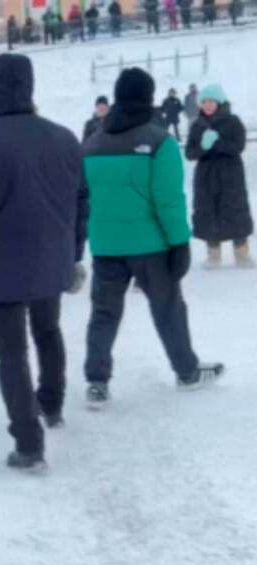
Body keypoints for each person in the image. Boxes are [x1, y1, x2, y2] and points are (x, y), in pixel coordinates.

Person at [0, 54, 87, 472]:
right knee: (49, 331)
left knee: (11, 352)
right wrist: (73, 251)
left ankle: (28, 442)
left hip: (4, 263)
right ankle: (52, 403)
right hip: (52, 258)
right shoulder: (64, 138)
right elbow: (81, 201)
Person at [83, 68, 224, 410]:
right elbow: (169, 200)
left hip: (106, 246)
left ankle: (97, 382)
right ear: (148, 98)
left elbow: (84, 198)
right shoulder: (161, 143)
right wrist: (179, 243)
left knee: (104, 314)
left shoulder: (91, 145)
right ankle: (187, 372)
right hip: (152, 247)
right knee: (169, 309)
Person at [185, 84, 254, 268]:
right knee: (208, 212)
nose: (208, 105)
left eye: (211, 101)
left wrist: (216, 143)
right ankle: (213, 256)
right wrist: (203, 147)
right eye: (204, 102)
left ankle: (242, 254)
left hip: (230, 175)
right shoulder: (197, 125)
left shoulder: (233, 122)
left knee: (234, 211)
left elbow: (238, 146)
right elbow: (190, 153)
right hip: (206, 177)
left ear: (219, 102)